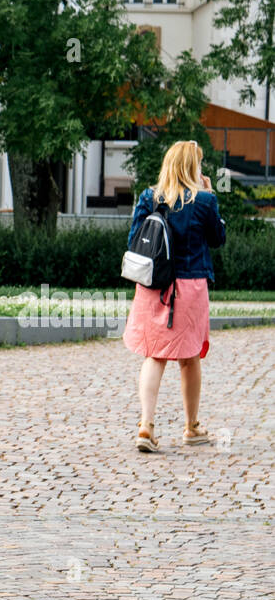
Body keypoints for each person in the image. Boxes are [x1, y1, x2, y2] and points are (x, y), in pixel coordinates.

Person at [123, 139, 226, 453]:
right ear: (192, 167)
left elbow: (134, 239)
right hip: (190, 286)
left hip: (154, 285)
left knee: (154, 355)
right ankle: (192, 427)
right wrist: (210, 194)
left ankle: (146, 426)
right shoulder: (204, 201)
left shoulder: (148, 196)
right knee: (189, 356)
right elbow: (218, 238)